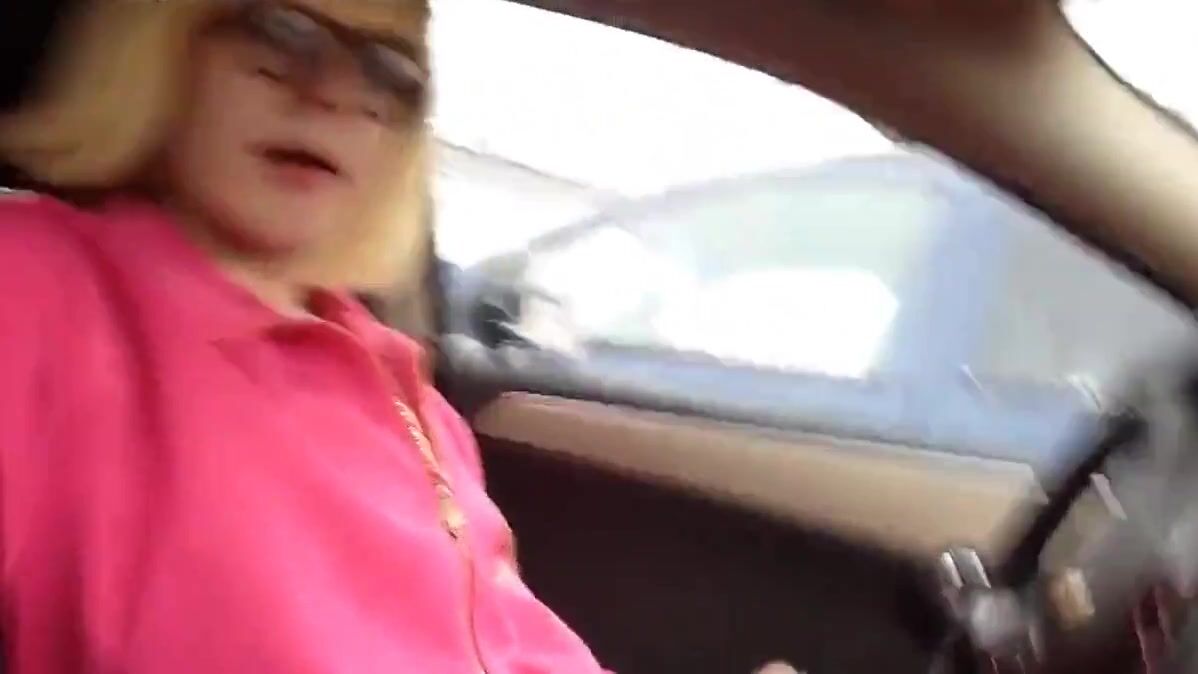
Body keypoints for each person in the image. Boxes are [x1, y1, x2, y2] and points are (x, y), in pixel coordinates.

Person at [0, 0, 613, 671]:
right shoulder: (34, 286)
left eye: (391, 73)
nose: (336, 94)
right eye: (280, 31)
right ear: (158, 45)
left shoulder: (408, 394)